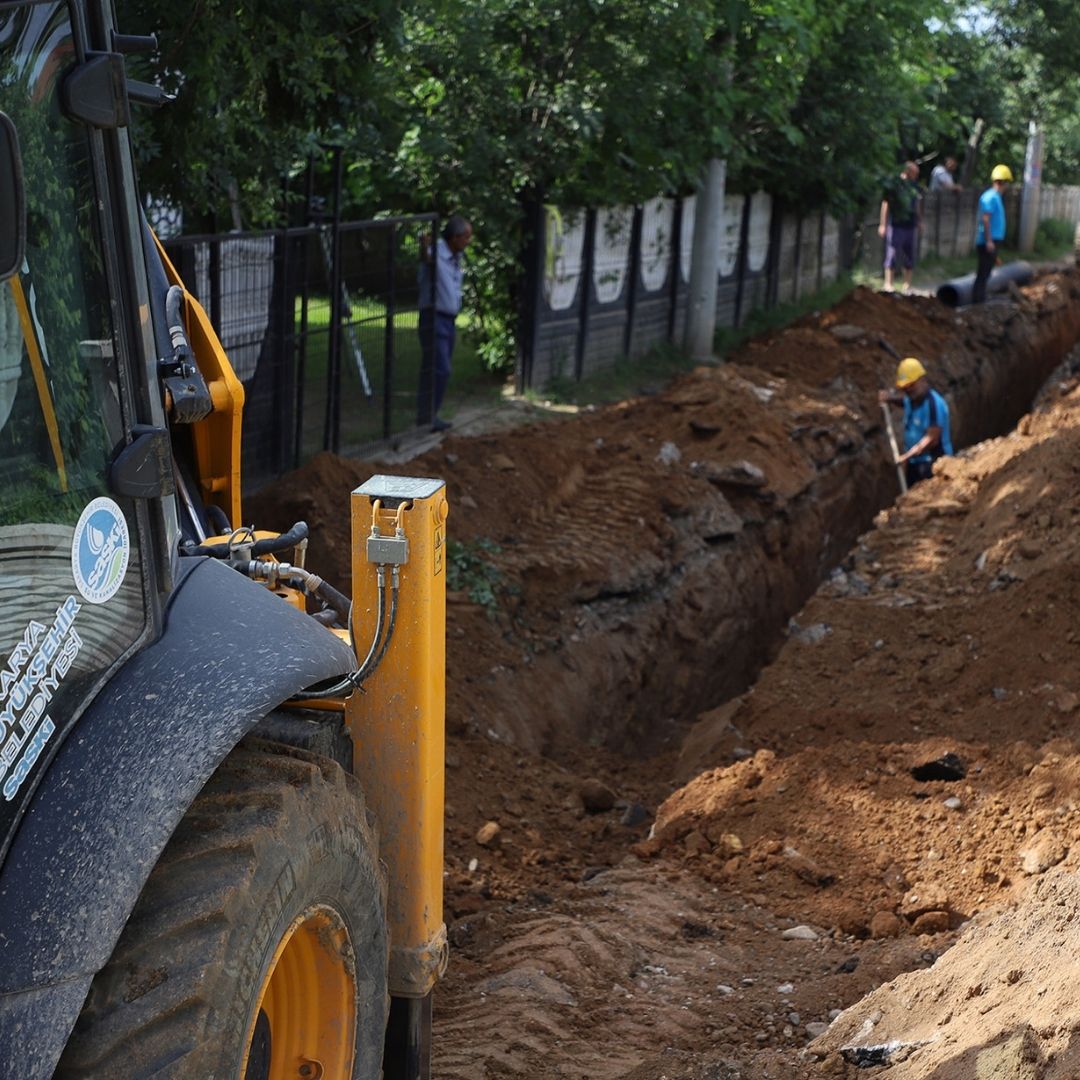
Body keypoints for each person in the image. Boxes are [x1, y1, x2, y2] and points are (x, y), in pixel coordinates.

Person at [417, 215, 473, 432]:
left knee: (436, 368)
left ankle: (429, 415)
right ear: (455, 237)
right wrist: (423, 247)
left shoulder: (456, 256)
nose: (468, 242)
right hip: (434, 317)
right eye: (466, 237)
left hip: (449, 320)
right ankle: (427, 416)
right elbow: (426, 259)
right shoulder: (437, 252)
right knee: (441, 368)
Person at [878, 357, 953, 487]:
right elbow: (903, 401)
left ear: (922, 379)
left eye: (912, 386)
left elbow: (932, 439)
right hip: (914, 463)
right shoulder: (911, 398)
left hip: (934, 464)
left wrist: (906, 456)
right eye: (905, 388)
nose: (909, 390)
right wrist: (889, 398)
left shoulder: (934, 405)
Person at [878, 162, 923, 293]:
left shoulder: (915, 187)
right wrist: (883, 224)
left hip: (910, 225)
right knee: (892, 254)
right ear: (908, 172)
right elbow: (886, 205)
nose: (917, 175)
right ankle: (888, 284)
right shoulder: (895, 186)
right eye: (915, 173)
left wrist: (919, 221)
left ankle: (907, 285)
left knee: (909, 255)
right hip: (896, 225)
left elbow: (917, 205)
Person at [973, 164, 1013, 304]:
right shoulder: (990, 197)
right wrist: (989, 241)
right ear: (1004, 182)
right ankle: (978, 300)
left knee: (986, 272)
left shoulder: (995, 197)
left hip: (992, 240)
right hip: (988, 241)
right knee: (983, 272)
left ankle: (980, 297)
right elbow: (986, 219)